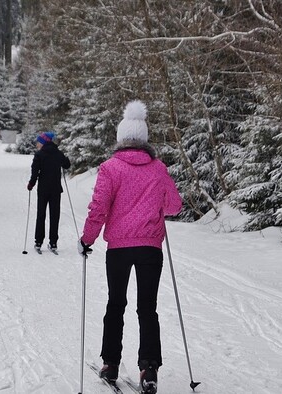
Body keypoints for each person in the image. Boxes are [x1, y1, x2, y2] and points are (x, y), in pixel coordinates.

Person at [78, 100, 182, 394]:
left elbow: (99, 208)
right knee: (147, 308)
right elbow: (174, 205)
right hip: (150, 247)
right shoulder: (158, 168)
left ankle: (111, 363)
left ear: (121, 139)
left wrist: (87, 239)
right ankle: (149, 369)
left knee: (116, 303)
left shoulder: (110, 168)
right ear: (145, 139)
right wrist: (157, 204)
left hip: (119, 249)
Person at [27, 131, 71, 253]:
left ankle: (38, 241)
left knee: (41, 215)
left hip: (43, 189)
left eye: (38, 142)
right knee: (54, 215)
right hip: (56, 189)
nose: (37, 144)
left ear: (43, 142)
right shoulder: (58, 153)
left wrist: (31, 184)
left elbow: (35, 172)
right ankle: (53, 243)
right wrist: (64, 158)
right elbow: (67, 165)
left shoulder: (39, 155)